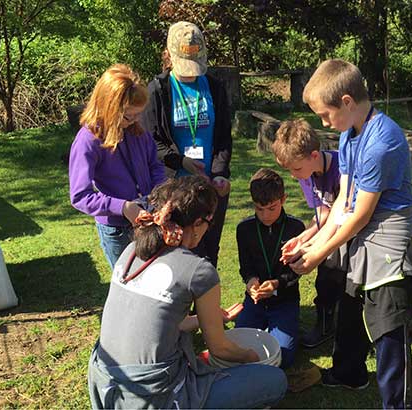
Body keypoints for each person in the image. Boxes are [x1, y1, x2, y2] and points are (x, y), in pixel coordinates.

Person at [284, 59, 412, 409]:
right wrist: (310, 242)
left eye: (325, 115)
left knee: (388, 326)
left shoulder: (382, 141)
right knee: (349, 307)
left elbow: (361, 214)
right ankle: (349, 373)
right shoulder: (348, 135)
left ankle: (397, 404)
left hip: (389, 237)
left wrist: (317, 254)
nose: (323, 123)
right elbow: (343, 204)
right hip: (362, 232)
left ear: (347, 102)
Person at [88, 176, 287, 409]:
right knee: (275, 381)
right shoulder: (199, 271)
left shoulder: (131, 251)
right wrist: (251, 358)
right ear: (197, 224)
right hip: (153, 397)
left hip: (105, 385)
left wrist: (208, 319)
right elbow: (219, 348)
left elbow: (161, 322)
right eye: (209, 221)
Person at [143, 21, 231, 268]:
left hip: (210, 188)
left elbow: (224, 137)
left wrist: (218, 174)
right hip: (174, 189)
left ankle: (204, 307)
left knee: (207, 253)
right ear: (168, 55)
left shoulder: (214, 87)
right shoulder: (157, 90)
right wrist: (181, 161)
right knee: (175, 254)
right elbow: (152, 141)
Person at [69, 64, 166, 269]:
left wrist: (159, 197)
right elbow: (80, 196)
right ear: (109, 109)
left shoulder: (137, 131)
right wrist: (123, 207)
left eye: (139, 114)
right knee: (129, 286)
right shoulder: (88, 141)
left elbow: (154, 166)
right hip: (117, 230)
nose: (135, 121)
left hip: (148, 220)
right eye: (128, 116)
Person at [272, 119, 344, 348]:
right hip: (332, 230)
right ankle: (325, 325)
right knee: (326, 275)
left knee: (336, 269)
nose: (294, 175)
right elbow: (323, 212)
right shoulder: (307, 173)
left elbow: (344, 215)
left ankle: (347, 327)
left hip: (353, 230)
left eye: (296, 168)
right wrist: (304, 237)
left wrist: (315, 247)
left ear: (314, 155)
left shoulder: (343, 168)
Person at [234, 168, 305, 369]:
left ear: (283, 199)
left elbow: (297, 271)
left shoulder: (296, 228)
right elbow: (245, 266)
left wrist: (277, 284)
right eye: (259, 209)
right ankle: (266, 329)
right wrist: (251, 282)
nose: (265, 215)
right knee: (239, 348)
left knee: (284, 357)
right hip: (255, 301)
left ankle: (282, 329)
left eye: (272, 208)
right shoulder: (244, 229)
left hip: (285, 300)